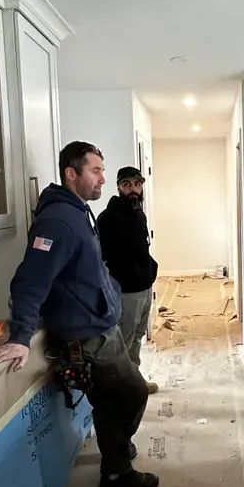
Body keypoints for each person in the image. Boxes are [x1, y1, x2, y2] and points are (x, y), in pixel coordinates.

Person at [0, 141, 159, 487]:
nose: (103, 179)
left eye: (103, 171)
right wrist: (20, 337)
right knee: (131, 392)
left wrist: (107, 288)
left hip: (100, 325)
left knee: (114, 398)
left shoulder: (77, 212)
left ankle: (115, 464)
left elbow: (87, 268)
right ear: (71, 173)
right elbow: (31, 279)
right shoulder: (57, 221)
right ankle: (118, 463)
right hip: (87, 335)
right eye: (96, 171)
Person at [96, 166, 159, 394]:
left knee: (138, 336)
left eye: (137, 184)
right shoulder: (108, 218)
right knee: (124, 340)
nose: (133, 189)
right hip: (126, 291)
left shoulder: (137, 213)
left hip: (143, 286)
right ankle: (123, 388)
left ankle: (134, 380)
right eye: (127, 185)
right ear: (119, 188)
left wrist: (150, 271)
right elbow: (99, 257)